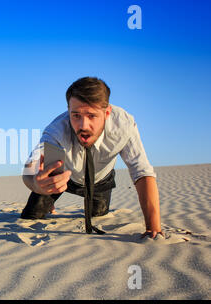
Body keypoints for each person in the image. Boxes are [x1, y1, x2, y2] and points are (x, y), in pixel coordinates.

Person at [21, 76, 163, 239]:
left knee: (98, 214)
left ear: (107, 112)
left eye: (91, 116)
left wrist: (154, 228)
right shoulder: (56, 129)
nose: (83, 125)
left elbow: (141, 171)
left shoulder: (123, 125)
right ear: (68, 111)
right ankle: (49, 201)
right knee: (29, 216)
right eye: (76, 115)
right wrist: (36, 184)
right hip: (62, 178)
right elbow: (30, 166)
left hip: (100, 180)